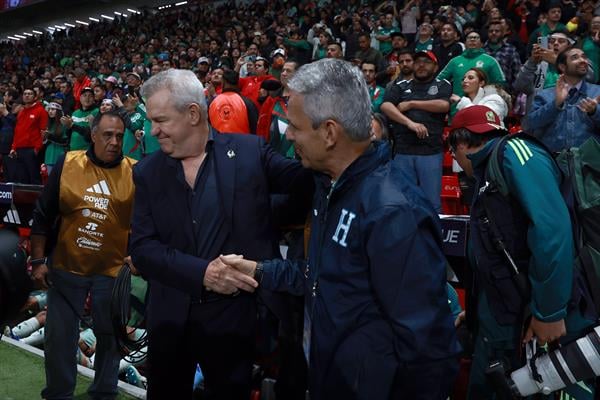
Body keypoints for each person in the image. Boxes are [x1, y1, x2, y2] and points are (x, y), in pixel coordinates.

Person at [221, 58, 460, 400]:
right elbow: (325, 276)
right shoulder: (329, 186)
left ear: (330, 132)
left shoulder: (393, 210)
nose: (288, 135)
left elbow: (428, 347)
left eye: (296, 126)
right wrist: (260, 272)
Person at [129, 69, 312, 399]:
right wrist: (203, 274)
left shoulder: (251, 152)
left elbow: (307, 181)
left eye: (160, 120)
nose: (153, 130)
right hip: (170, 322)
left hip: (236, 320)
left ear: (193, 113)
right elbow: (142, 249)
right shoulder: (147, 172)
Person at [447, 105, 596, 399]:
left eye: (453, 152)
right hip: (501, 318)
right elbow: (495, 253)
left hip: (531, 322)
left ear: (460, 143)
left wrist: (550, 312)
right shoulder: (489, 170)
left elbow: (552, 229)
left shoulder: (513, 154)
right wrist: (476, 310)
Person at [29, 110, 136, 400]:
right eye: (107, 135)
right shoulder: (69, 163)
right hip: (66, 267)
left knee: (110, 338)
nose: (114, 142)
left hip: (112, 272)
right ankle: (59, 393)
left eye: (119, 136)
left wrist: (137, 254)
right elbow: (43, 214)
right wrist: (38, 261)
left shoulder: (136, 171)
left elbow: (147, 224)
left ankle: (104, 392)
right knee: (59, 339)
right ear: (93, 135)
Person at [381, 51, 451, 212]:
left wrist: (412, 104)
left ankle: (433, 236)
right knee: (402, 200)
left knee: (432, 202)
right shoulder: (400, 86)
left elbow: (443, 105)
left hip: (430, 151)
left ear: (435, 67)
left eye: (426, 62)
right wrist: (410, 123)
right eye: (418, 61)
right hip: (403, 150)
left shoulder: (442, 84)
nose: (421, 65)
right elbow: (386, 106)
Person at [528, 47, 600, 152]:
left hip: (589, 162)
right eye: (575, 57)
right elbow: (531, 123)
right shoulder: (545, 94)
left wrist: (595, 112)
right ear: (562, 67)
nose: (583, 60)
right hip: (553, 161)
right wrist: (555, 104)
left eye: (584, 57)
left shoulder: (597, 92)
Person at [7, 87, 48, 184]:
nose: (27, 95)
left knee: (34, 178)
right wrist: (14, 147)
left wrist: (37, 149)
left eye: (30, 94)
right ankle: (25, 199)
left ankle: (37, 199)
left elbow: (43, 131)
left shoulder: (40, 110)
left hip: (31, 150)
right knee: (22, 179)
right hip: (19, 150)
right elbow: (17, 131)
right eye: (25, 94)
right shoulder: (21, 112)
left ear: (35, 97)